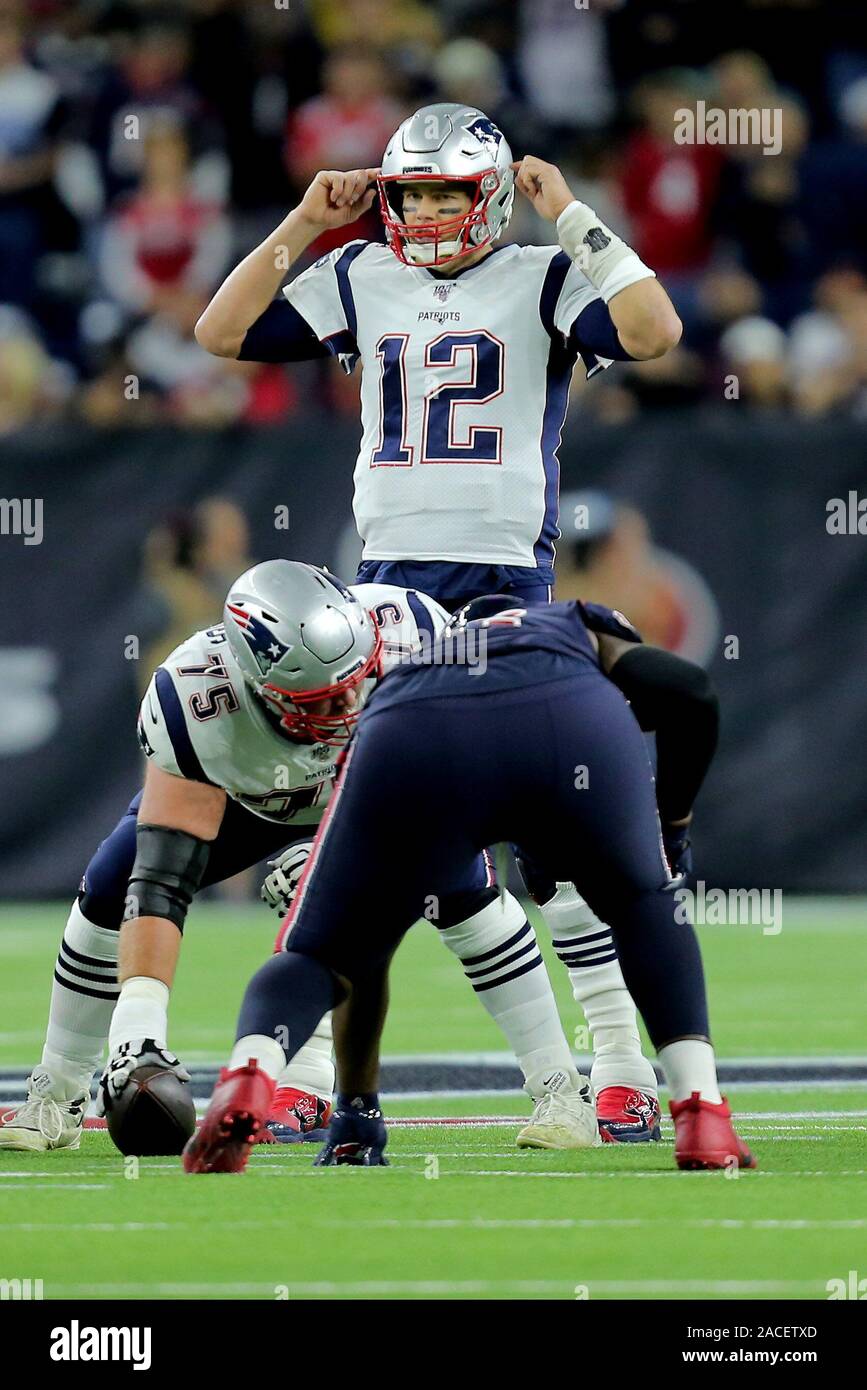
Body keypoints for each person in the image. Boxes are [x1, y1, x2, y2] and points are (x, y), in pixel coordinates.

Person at [194, 102, 684, 1138]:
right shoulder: (363, 272)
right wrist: (301, 221)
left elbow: (653, 329)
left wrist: (575, 213)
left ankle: (618, 1065)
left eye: (444, 194)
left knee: (552, 849)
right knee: (349, 840)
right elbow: (220, 331)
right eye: (407, 192)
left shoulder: (542, 275)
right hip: (383, 593)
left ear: (494, 196)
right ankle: (319, 1070)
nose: (420, 213)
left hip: (508, 592)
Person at [0, 563, 600, 1155]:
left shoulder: (416, 635)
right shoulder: (196, 695)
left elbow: (460, 788)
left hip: (383, 781)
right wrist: (138, 1035)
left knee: (465, 893)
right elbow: (159, 883)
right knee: (112, 884)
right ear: (254, 683)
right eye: (319, 700)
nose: (345, 707)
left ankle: (559, 1088)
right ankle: (56, 1094)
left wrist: (331, 854)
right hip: (252, 802)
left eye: (354, 683)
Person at [185, 595, 754, 1174]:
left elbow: (363, 968)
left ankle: (251, 1073)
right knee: (644, 904)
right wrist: (673, 829)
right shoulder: (574, 624)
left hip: (413, 730)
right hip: (566, 714)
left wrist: (357, 1110)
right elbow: (691, 693)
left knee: (329, 953)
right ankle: (700, 1109)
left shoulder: (417, 662)